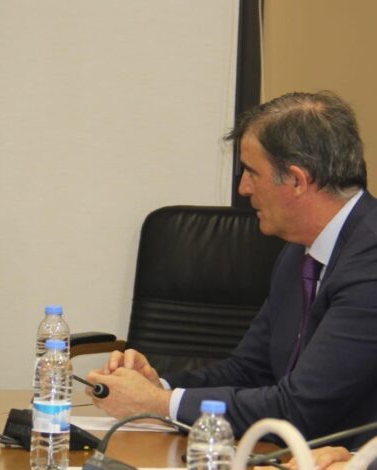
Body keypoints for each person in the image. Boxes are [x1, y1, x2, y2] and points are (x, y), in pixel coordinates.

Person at [87, 91, 377, 447]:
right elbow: (250, 370)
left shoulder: (370, 263)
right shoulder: (297, 251)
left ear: (297, 181)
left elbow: (300, 408)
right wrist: (158, 387)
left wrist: (159, 404)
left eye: (252, 172)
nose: (243, 188)